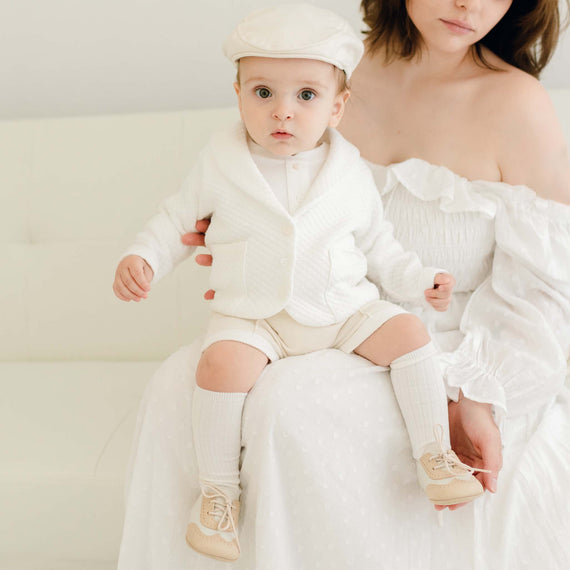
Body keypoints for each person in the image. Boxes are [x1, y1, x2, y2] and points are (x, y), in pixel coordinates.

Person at [117, 0, 570, 568]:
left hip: (446, 349)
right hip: (313, 316)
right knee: (174, 388)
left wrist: (477, 393)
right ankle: (213, 519)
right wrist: (242, 234)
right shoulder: (324, 70)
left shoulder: (515, 103)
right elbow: (264, 189)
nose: (469, 3)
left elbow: (547, 288)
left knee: (288, 405)